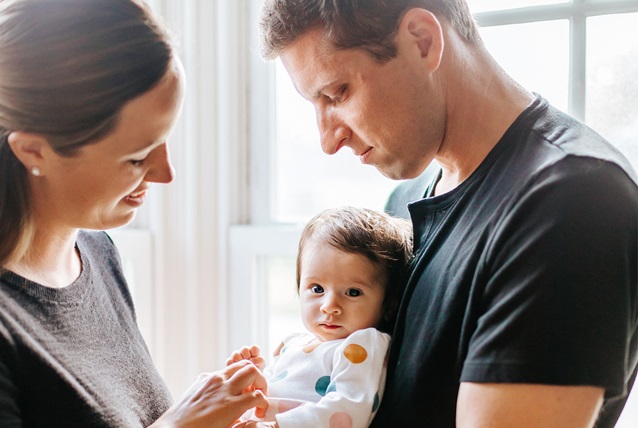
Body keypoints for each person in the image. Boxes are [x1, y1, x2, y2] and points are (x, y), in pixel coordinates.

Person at [258, 0, 638, 427]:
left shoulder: (570, 202)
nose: (328, 140)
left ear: (422, 41)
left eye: (337, 93)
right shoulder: (405, 203)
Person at [0, 0, 268, 426]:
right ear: (34, 150)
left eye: (164, 141)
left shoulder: (96, 254)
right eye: (137, 157)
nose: (166, 174)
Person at [227, 207, 413, 428]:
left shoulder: (363, 344)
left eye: (353, 292)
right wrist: (253, 380)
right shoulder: (293, 343)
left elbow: (346, 411)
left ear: (388, 305)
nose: (329, 306)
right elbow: (276, 398)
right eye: (317, 289)